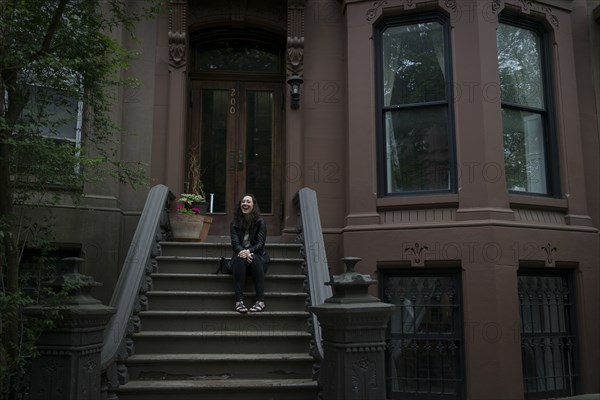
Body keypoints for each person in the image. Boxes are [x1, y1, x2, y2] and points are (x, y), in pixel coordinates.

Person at [229, 194, 269, 314]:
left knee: (255, 259)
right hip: (240, 259)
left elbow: (260, 244)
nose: (245, 204)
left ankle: (260, 301)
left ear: (253, 205)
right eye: (243, 202)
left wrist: (248, 251)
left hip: (258, 259)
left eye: (248, 202)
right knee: (240, 258)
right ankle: (239, 301)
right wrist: (243, 252)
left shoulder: (260, 222)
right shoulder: (235, 223)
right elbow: (235, 244)